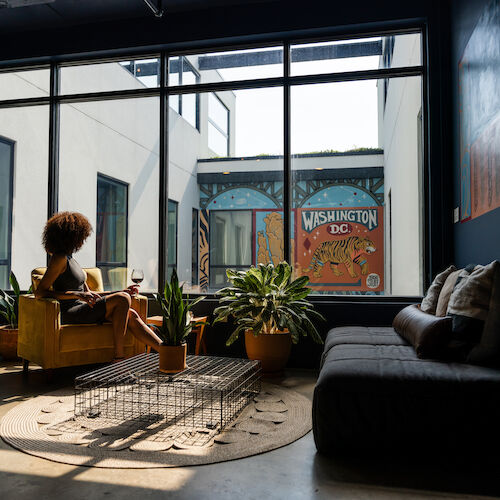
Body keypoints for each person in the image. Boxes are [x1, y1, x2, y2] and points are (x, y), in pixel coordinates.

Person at [35, 211, 162, 361]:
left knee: (131, 314)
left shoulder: (71, 259)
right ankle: (119, 359)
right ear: (71, 236)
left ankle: (167, 352)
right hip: (71, 312)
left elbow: (92, 294)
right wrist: (76, 295)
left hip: (85, 308)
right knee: (123, 299)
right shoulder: (59, 258)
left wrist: (120, 291)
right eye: (82, 236)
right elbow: (40, 292)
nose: (83, 241)